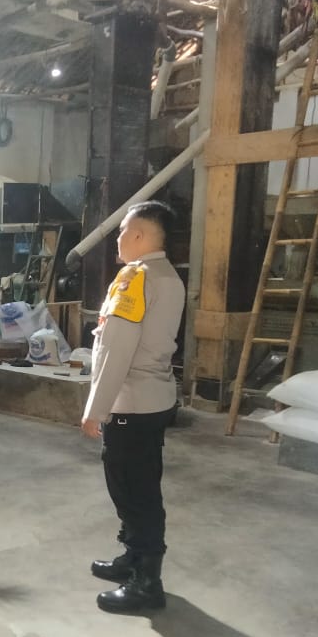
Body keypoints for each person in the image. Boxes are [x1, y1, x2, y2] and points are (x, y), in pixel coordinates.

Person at [80, 201, 184, 613]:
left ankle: (147, 582)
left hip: (131, 402)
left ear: (139, 234)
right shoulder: (169, 276)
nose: (119, 239)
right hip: (154, 399)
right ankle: (134, 558)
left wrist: (96, 408)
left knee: (132, 489)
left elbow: (117, 349)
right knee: (141, 483)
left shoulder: (135, 278)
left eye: (123, 231)